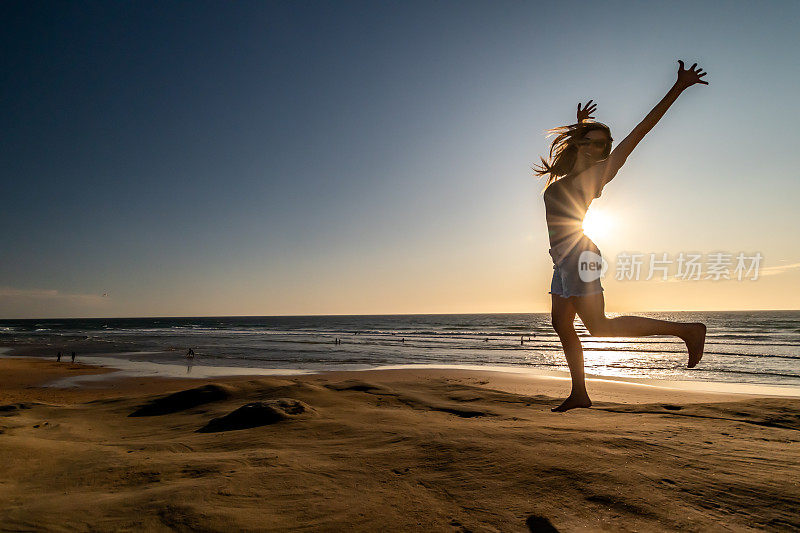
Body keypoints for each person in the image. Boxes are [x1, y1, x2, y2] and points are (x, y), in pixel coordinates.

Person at [533, 60, 709, 412]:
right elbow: (579, 145)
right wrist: (581, 123)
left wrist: (677, 88)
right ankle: (579, 393)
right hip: (564, 260)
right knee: (561, 324)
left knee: (598, 326)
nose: (602, 149)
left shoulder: (600, 173)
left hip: (581, 256)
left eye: (606, 144)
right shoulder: (570, 173)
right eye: (594, 143)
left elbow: (641, 130)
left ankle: (688, 330)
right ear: (581, 145)